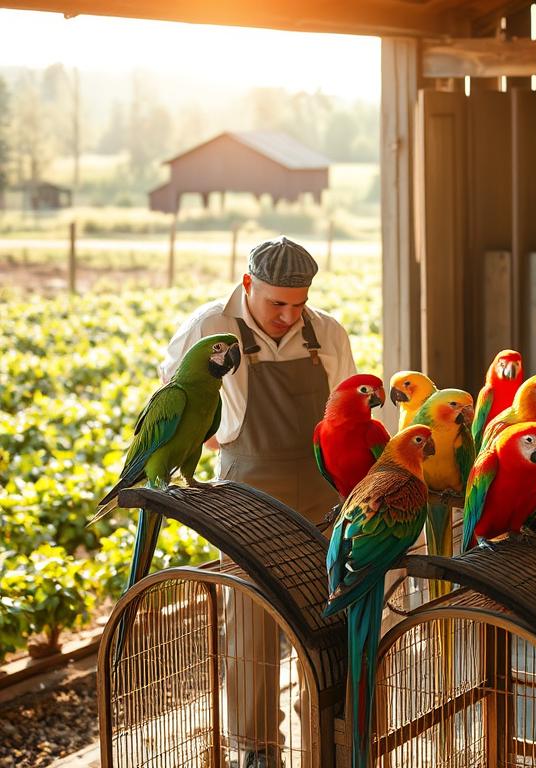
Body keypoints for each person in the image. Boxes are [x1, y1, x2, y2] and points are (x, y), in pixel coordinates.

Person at [160, 236, 356, 768]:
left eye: (299, 303)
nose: (289, 315)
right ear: (248, 284)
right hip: (248, 496)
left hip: (323, 497)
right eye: (277, 303)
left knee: (327, 622)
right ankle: (256, 749)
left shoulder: (327, 333)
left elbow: (347, 416)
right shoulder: (209, 328)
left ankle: (327, 740)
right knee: (252, 625)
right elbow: (176, 397)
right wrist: (212, 436)